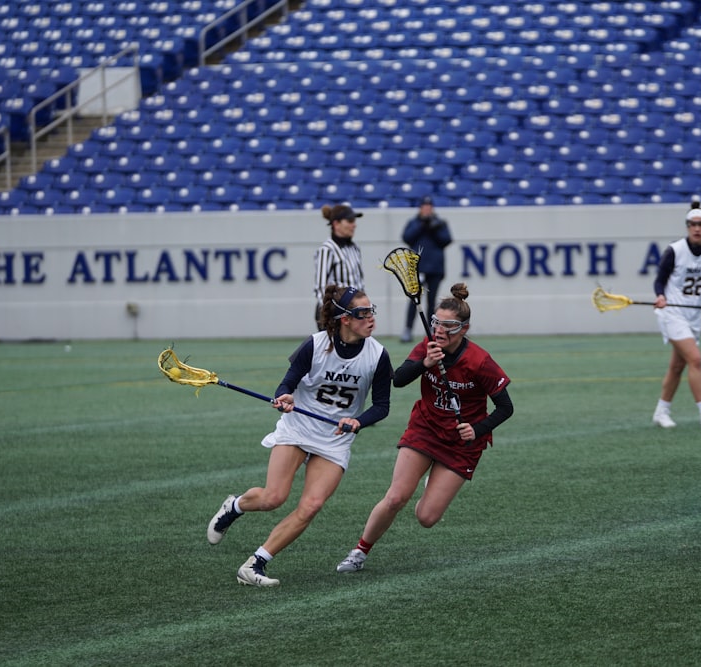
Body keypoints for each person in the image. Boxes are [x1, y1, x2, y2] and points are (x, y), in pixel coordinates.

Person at [207, 284, 392, 587]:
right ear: (345, 319)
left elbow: (382, 406)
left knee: (311, 506)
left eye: (372, 311)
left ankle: (255, 565)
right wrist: (285, 397)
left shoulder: (378, 355)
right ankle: (235, 506)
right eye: (363, 313)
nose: (371, 318)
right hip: (298, 429)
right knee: (272, 498)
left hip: (334, 440)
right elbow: (287, 383)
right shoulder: (316, 344)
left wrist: (358, 421)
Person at [336, 282, 513, 574]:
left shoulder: (480, 362)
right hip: (426, 429)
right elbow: (399, 379)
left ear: (464, 329)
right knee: (396, 497)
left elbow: (506, 407)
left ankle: (434, 483)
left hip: (461, 442)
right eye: (436, 323)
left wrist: (478, 429)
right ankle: (359, 552)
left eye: (449, 326)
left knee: (427, 517)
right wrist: (426, 362)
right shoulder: (428, 347)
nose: (440, 330)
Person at [651, 199, 701, 429]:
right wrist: (660, 296)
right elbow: (660, 280)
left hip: (693, 315)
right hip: (672, 313)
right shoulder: (675, 250)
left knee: (677, 366)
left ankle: (661, 411)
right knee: (695, 359)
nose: (697, 228)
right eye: (693, 224)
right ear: (687, 226)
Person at [399, 195, 453, 343]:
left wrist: (434, 227)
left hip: (435, 268)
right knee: (414, 300)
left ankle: (432, 330)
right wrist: (422, 225)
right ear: (420, 208)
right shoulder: (414, 222)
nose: (427, 209)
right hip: (417, 268)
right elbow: (407, 238)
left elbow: (446, 240)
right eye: (424, 207)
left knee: (432, 301)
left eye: (429, 207)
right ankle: (408, 329)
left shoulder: (440, 223)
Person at [313, 204, 365, 328]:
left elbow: (359, 283)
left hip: (354, 311)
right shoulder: (327, 249)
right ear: (336, 224)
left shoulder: (354, 248)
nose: (354, 224)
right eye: (350, 221)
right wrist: (331, 313)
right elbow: (321, 287)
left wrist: (364, 310)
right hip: (335, 313)